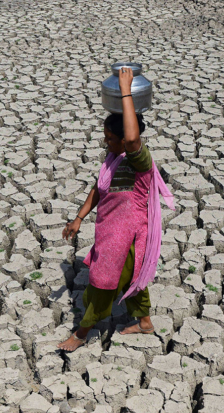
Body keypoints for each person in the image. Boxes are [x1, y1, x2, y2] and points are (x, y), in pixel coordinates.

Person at [57, 66, 174, 352]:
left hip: (128, 237)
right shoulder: (112, 159)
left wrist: (125, 92)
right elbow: (99, 188)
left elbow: (134, 139)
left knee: (102, 285)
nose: (105, 142)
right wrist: (79, 218)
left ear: (124, 141)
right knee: (133, 277)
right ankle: (144, 322)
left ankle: (82, 333)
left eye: (110, 138)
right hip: (111, 234)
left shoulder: (139, 162)